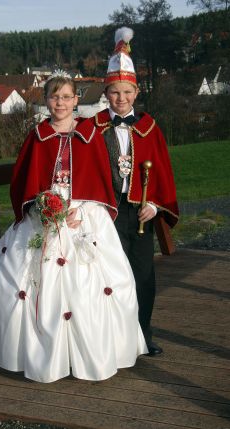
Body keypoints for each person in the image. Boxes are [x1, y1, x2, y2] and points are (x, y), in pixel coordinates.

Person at [0, 71, 147, 383]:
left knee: (94, 283)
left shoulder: (89, 136)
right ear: (47, 100)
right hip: (44, 214)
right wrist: (42, 207)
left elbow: (99, 181)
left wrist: (80, 208)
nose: (61, 103)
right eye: (55, 97)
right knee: (21, 280)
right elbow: (23, 181)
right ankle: (37, 354)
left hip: (82, 213)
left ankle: (92, 352)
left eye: (67, 97)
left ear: (76, 100)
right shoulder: (36, 136)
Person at [91, 27, 179, 356]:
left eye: (126, 91)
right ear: (106, 92)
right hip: (107, 213)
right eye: (114, 92)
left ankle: (143, 335)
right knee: (108, 275)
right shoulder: (94, 127)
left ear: (136, 91)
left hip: (139, 212)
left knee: (142, 274)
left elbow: (163, 174)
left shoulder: (149, 128)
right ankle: (111, 338)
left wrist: (155, 205)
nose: (121, 98)